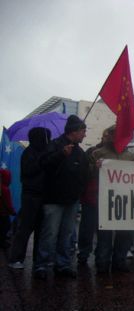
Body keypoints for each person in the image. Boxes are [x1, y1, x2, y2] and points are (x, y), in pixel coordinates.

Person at [34, 115, 89, 280]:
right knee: (50, 233)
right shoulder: (55, 145)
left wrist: (78, 192)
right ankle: (41, 265)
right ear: (74, 131)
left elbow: (85, 174)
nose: (84, 135)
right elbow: (43, 164)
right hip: (54, 199)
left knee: (66, 234)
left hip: (71, 200)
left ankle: (62, 264)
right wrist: (60, 155)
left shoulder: (80, 152)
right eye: (83, 131)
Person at [93, 125, 134, 273]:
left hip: (125, 201)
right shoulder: (98, 153)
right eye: (116, 134)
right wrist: (95, 167)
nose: (119, 138)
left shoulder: (130, 157)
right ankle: (102, 262)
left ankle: (119, 261)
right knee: (105, 234)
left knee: (125, 233)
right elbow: (87, 175)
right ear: (111, 136)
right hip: (105, 200)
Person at [9, 128, 50, 269]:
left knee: (41, 229)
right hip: (31, 195)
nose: (47, 140)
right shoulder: (29, 153)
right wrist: (42, 160)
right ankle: (16, 258)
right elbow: (28, 171)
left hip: (44, 195)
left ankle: (37, 259)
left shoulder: (44, 153)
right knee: (25, 228)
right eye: (46, 137)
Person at [76, 132, 106, 265]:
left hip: (107, 199)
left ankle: (102, 254)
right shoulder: (93, 151)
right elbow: (83, 171)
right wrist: (94, 167)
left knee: (104, 229)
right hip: (92, 196)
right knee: (87, 226)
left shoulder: (120, 154)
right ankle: (84, 252)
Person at [0, 169, 16, 249]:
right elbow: (8, 203)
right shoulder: (5, 189)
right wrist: (13, 212)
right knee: (6, 231)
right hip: (3, 215)